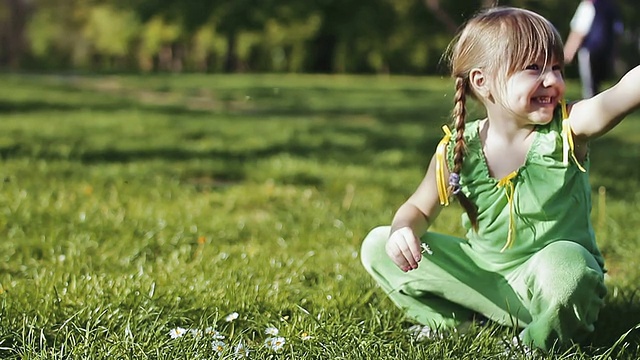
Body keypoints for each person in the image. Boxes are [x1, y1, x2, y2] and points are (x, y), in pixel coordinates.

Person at [360, 6, 640, 353]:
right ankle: (456, 326)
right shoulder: (458, 149)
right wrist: (404, 230)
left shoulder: (568, 128)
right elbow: (418, 207)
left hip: (552, 285)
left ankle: (536, 344)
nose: (552, 80)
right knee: (377, 244)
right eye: (533, 69)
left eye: (556, 67)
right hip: (485, 279)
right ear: (482, 81)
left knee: (570, 266)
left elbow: (622, 94)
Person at [564, 0, 623, 98]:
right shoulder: (612, 7)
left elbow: (579, 31)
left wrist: (568, 52)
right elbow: (618, 32)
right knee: (598, 84)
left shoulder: (588, 5)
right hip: (606, 52)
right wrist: (614, 54)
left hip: (590, 50)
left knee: (590, 87)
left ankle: (592, 110)